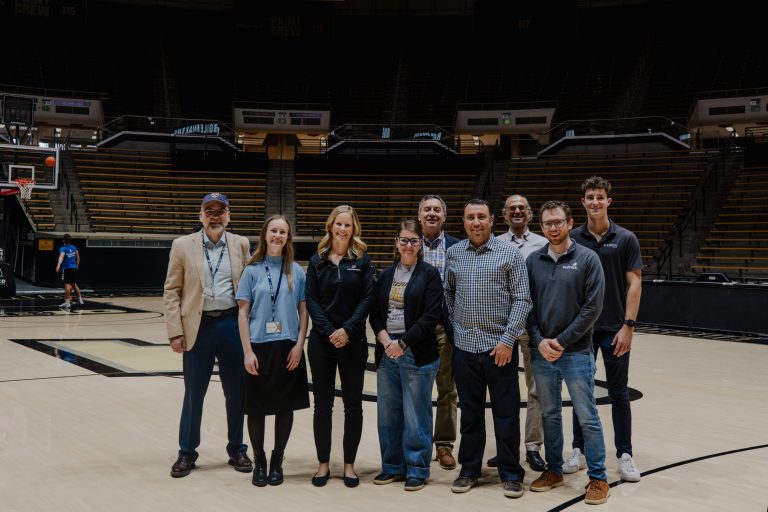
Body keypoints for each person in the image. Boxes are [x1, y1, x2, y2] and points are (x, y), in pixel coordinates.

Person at [444, 199, 532, 499]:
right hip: (465, 349)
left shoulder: (509, 254)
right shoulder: (453, 254)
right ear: (464, 221)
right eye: (471, 217)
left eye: (481, 217)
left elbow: (523, 300)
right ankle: (469, 469)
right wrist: (458, 330)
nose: (476, 222)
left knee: (506, 414)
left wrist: (508, 340)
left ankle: (511, 472)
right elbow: (448, 294)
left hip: (500, 349)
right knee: (470, 413)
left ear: (492, 220)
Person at [525, 200, 610, 505]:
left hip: (575, 352)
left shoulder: (588, 259)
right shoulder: (533, 261)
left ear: (570, 223)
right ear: (542, 227)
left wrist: (560, 340)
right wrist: (539, 341)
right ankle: (553, 470)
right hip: (543, 352)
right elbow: (527, 306)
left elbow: (592, 308)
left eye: (558, 222)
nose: (553, 228)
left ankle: (598, 477)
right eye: (547, 223)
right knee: (549, 414)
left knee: (587, 416)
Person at [163, 193, 253, 478]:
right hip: (197, 328)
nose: (215, 215)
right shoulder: (182, 245)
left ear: (229, 215)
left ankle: (237, 448)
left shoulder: (241, 244)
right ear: (200, 215)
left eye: (221, 210)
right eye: (209, 210)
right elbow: (171, 291)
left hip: (231, 324)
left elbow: (250, 288)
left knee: (236, 392)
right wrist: (175, 331)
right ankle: (186, 453)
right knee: (194, 393)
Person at [565, 176, 643, 482]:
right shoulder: (573, 237)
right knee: (580, 391)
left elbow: (635, 283)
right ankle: (578, 450)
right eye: (589, 197)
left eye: (600, 197)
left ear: (609, 200)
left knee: (619, 393)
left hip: (614, 328)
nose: (595, 202)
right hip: (582, 329)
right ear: (582, 202)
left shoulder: (625, 238)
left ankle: (625, 454)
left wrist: (629, 326)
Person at [236, 215, 310, 487]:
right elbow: (242, 314)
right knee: (255, 408)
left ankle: (277, 461)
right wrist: (247, 351)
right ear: (265, 234)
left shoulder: (297, 270)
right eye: (273, 230)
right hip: (259, 346)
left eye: (283, 232)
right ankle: (260, 461)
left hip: (288, 346)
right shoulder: (252, 270)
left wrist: (300, 344)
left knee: (284, 407)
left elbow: (303, 311)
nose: (278, 235)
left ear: (287, 237)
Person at [370, 220, 443, 491]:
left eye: (413, 240)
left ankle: (417, 468)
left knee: (416, 415)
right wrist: (386, 339)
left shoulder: (429, 274)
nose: (408, 245)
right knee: (388, 414)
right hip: (387, 352)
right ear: (396, 243)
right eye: (404, 240)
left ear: (420, 244)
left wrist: (403, 343)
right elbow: (375, 313)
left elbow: (430, 316)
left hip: (417, 353)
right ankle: (392, 466)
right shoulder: (387, 275)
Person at [305, 205, 374, 488]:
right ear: (330, 226)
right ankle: (323, 464)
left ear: (354, 229)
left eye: (348, 225)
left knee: (353, 406)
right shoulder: (317, 260)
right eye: (339, 224)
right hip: (322, 343)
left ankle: (349, 465)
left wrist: (346, 330)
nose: (343, 229)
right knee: (322, 406)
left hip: (353, 342)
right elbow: (311, 300)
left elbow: (367, 299)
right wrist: (330, 331)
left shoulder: (363, 260)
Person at [488, 194, 548, 472]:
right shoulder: (495, 243)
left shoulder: (543, 243)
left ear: (530, 213)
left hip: (534, 325)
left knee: (536, 389)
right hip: (504, 327)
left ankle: (533, 446)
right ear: (503, 214)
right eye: (511, 208)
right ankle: (506, 447)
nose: (516, 211)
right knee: (504, 391)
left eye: (521, 207)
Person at [417, 194, 460, 470]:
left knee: (447, 389)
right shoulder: (409, 243)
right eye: (427, 210)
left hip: (446, 325)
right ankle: (417, 444)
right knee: (416, 389)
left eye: (437, 210)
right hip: (415, 326)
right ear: (419, 215)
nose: (432, 214)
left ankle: (444, 445)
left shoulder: (457, 247)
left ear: (444, 216)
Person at [56, 234, 83, 309]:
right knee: (74, 284)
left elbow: (61, 256)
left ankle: (67, 302)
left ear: (63, 241)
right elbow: (78, 257)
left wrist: (58, 265)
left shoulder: (63, 248)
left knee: (67, 285)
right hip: (73, 268)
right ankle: (80, 300)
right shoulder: (74, 247)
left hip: (66, 268)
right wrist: (77, 265)